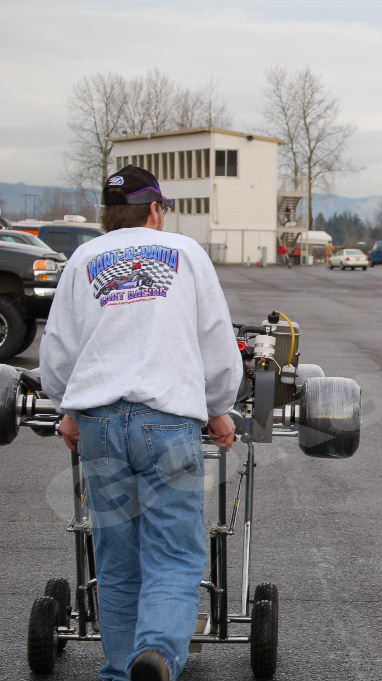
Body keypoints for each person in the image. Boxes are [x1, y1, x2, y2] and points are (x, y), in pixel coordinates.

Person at [41, 165, 243, 681]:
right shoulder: (186, 254)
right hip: (167, 422)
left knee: (117, 559)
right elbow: (215, 338)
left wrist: (67, 407)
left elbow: (59, 346)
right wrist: (218, 406)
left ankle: (119, 669)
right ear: (155, 209)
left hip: (100, 423)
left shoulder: (82, 259)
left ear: (108, 213)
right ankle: (156, 654)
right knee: (173, 554)